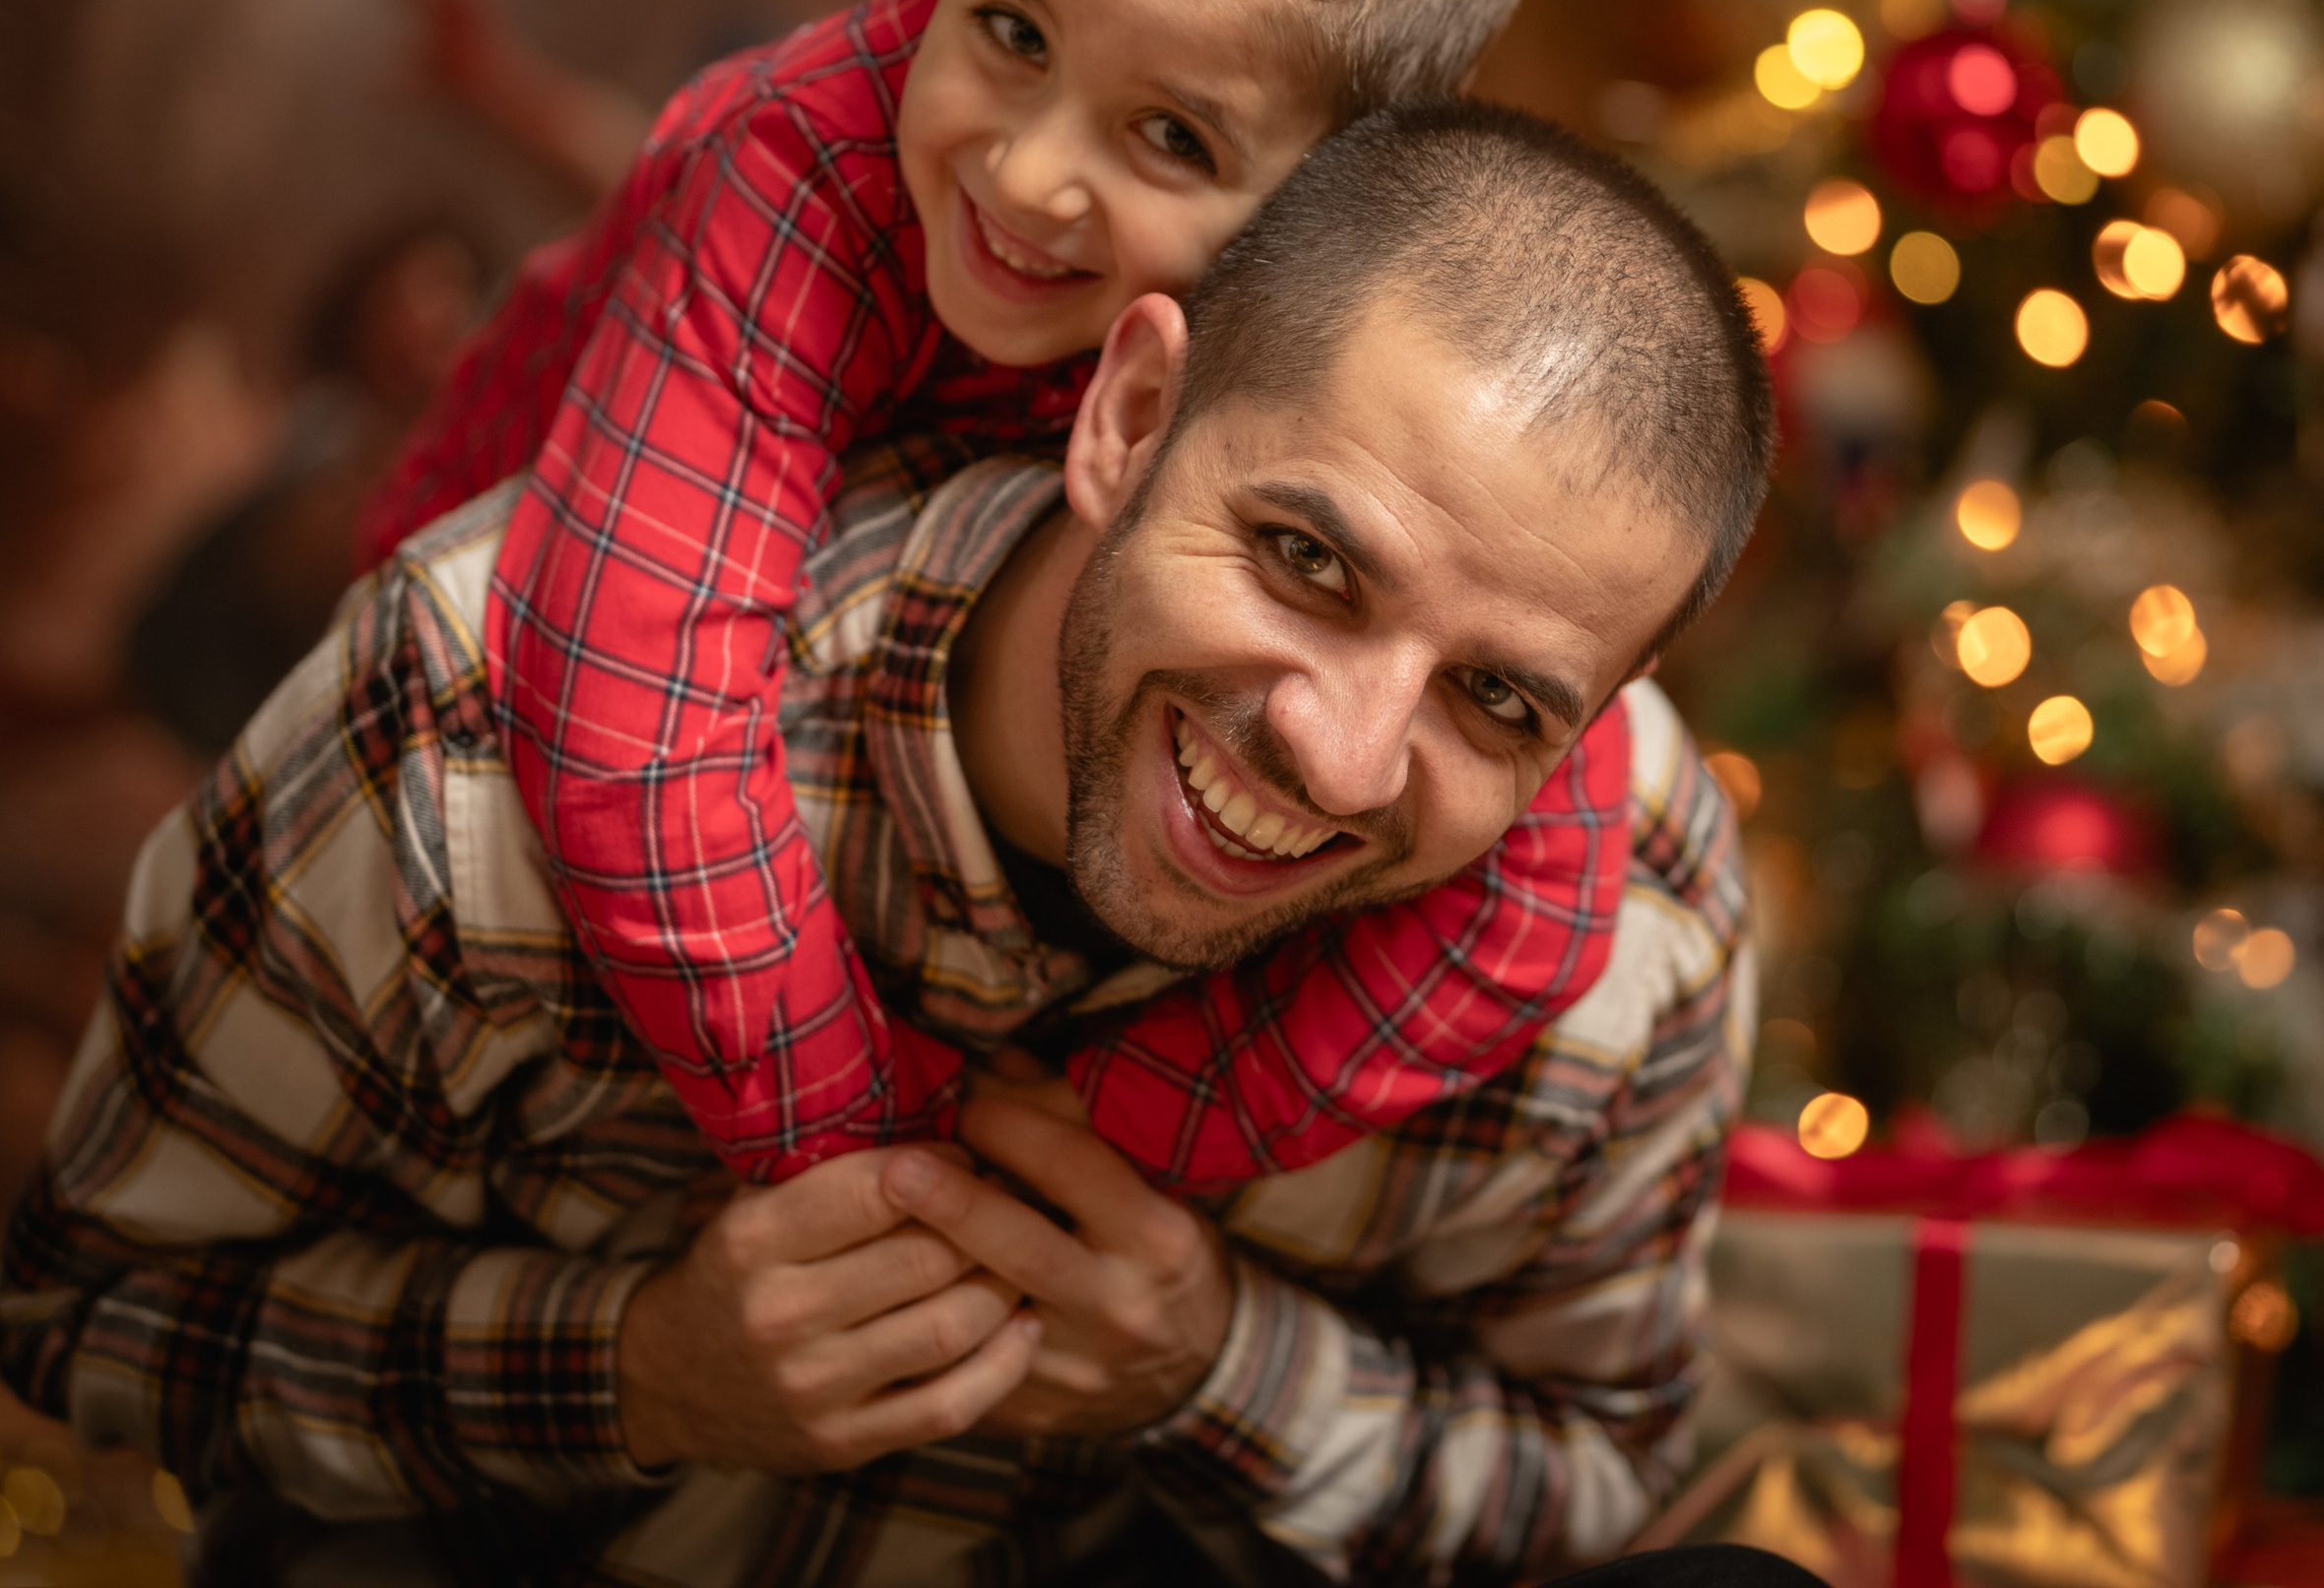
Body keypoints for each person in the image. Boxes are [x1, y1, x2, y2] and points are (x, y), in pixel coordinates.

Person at [3, 102, 1787, 1587]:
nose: (1338, 753)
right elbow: (93, 1309)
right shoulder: (473, 705)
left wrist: (1215, 1368)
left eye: (1498, 702)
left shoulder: (1641, 916)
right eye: (1309, 562)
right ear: (1133, 419)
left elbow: (1594, 1481)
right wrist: (637, 1367)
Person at [353, 0, 1641, 1199]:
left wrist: (1126, 1140)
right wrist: (865, 1153)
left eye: (1170, 139)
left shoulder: (1342, 326)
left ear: (1343, 189)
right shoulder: (795, 161)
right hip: (483, 712)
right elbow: (626, 711)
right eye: (1011, 31)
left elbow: (1545, 892)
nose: (1029, 173)